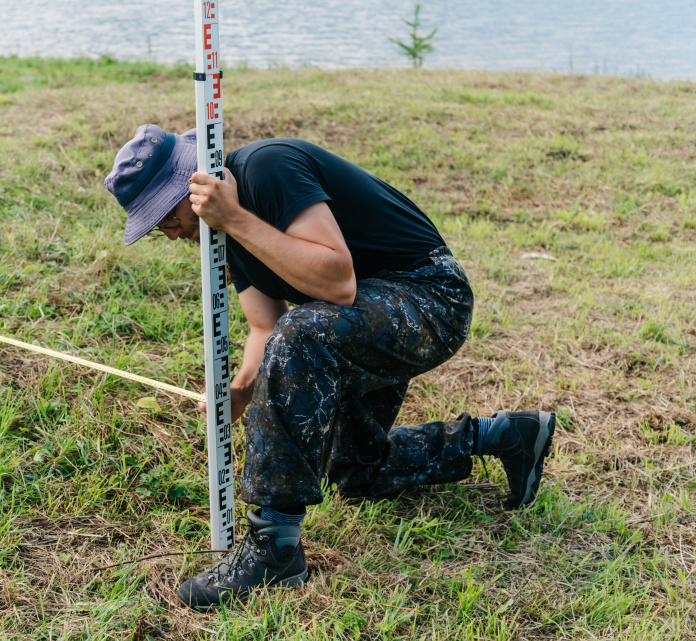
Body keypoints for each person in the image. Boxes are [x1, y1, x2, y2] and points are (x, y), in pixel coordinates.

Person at [104, 124, 555, 611]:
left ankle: (274, 544)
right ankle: (504, 434)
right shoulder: (225, 232)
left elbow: (338, 283)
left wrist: (235, 219)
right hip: (365, 318)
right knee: (357, 471)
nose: (168, 233)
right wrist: (239, 390)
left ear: (189, 184)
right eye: (155, 228)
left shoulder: (265, 170)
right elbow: (263, 324)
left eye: (164, 216)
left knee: (302, 333)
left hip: (430, 297)